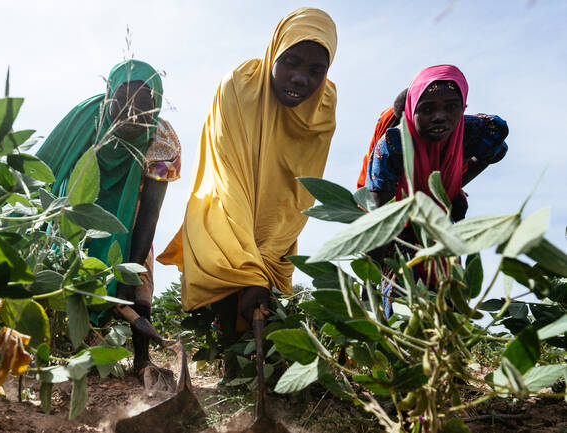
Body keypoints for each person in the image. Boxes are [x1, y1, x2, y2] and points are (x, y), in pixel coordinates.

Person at [158, 7, 337, 379]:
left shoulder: (325, 105)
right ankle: (229, 367)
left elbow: (301, 191)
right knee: (231, 269)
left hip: (280, 220)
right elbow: (230, 175)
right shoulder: (238, 85)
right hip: (225, 198)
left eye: (316, 71)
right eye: (290, 62)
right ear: (274, 51)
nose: (301, 78)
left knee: (265, 295)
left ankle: (252, 373)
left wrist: (267, 255)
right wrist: (249, 270)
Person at [36, 59, 182, 383]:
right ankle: (55, 346)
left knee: (139, 274)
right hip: (77, 208)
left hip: (130, 218)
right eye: (124, 100)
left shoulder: (161, 141)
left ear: (156, 108)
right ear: (108, 97)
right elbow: (44, 167)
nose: (133, 112)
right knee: (65, 270)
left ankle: (142, 359)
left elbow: (149, 217)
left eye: (145, 105)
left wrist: (128, 273)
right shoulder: (86, 118)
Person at [360, 65, 509, 317]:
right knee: (403, 315)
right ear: (412, 110)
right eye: (427, 108)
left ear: (462, 108)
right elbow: (377, 214)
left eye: (451, 107)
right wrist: (368, 281)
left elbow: (494, 151)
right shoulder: (393, 146)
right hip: (397, 230)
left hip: (441, 227)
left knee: (450, 314)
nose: (440, 116)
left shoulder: (476, 130)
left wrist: (451, 184)